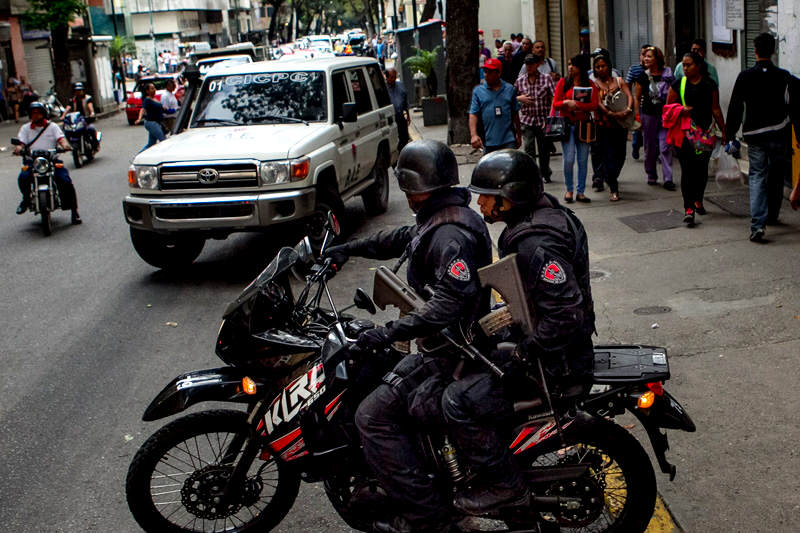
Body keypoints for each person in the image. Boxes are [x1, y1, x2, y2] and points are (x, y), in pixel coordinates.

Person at [324, 140, 493, 533]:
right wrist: (348, 249)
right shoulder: (443, 216)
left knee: (372, 416)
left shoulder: (451, 235)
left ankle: (425, 517)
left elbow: (447, 306)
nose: (407, 196)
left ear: (423, 187)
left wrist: (387, 332)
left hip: (452, 353)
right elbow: (400, 239)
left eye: (409, 188)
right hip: (445, 345)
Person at [444, 149, 595, 514]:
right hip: (558, 350)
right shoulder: (546, 217)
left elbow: (565, 315)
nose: (479, 202)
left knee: (456, 400)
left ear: (509, 199)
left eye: (486, 196)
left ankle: (503, 485)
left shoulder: (536, 243)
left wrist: (524, 352)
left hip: (558, 363)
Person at [725, 33, 799, 241]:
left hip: (755, 136)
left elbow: (736, 107)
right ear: (773, 51)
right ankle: (772, 214)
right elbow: (794, 108)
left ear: (754, 51)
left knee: (757, 175)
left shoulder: (745, 77)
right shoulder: (785, 77)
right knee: (776, 174)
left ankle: (758, 224)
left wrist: (730, 134)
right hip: (779, 135)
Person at [666, 52, 726, 227]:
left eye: (689, 65)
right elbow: (668, 108)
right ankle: (688, 209)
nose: (685, 68)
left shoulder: (709, 84)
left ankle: (698, 199)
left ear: (698, 65)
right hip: (685, 135)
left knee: (701, 170)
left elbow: (715, 109)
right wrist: (680, 110)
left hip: (705, 134)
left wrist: (724, 130)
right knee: (687, 170)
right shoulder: (678, 84)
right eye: (683, 65)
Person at [14, 102, 81, 224]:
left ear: (43, 113)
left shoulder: (52, 127)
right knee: (23, 177)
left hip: (51, 161)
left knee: (65, 180)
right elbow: (21, 143)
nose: (35, 115)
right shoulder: (25, 129)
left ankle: (74, 211)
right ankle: (26, 200)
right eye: (33, 113)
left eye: (38, 112)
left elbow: (62, 139)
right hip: (32, 162)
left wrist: (65, 146)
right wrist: (19, 149)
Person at [553, 54, 598, 203]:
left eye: (573, 64)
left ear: (581, 67)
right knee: (569, 159)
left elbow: (594, 104)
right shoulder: (563, 82)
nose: (570, 67)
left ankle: (581, 191)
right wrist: (567, 102)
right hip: (567, 125)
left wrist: (578, 105)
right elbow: (555, 103)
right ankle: (569, 189)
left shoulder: (590, 84)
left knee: (583, 160)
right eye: (569, 64)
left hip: (584, 126)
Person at [592, 53, 633, 201]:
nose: (601, 69)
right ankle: (613, 188)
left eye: (603, 66)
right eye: (598, 67)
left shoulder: (619, 81)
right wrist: (610, 113)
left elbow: (629, 95)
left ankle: (611, 176)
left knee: (620, 155)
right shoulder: (595, 85)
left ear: (609, 66)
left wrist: (627, 110)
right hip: (604, 125)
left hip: (621, 124)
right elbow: (598, 103)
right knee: (608, 155)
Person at [634, 46, 675, 189]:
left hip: (665, 115)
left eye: (649, 56)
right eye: (645, 56)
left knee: (665, 146)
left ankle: (668, 178)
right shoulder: (642, 76)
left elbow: (674, 93)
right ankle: (651, 174)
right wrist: (637, 117)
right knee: (650, 147)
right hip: (648, 115)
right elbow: (637, 98)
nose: (646, 59)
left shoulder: (668, 75)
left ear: (657, 59)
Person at [515, 53, 556, 183]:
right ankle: (532, 174)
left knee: (544, 149)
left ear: (537, 64)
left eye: (532, 64)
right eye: (527, 64)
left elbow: (554, 97)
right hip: (527, 119)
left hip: (543, 119)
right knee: (529, 148)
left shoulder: (546, 79)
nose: (529, 67)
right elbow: (510, 97)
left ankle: (545, 172)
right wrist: (519, 98)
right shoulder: (520, 81)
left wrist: (550, 117)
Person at [469, 58, 521, 153]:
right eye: (485, 72)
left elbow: (515, 114)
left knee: (509, 166)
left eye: (489, 72)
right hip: (488, 142)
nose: (486, 75)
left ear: (498, 73)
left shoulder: (509, 89)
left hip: (508, 140)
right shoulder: (478, 91)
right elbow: (473, 114)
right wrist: (474, 135)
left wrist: (519, 135)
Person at [626, 44, 651, 160]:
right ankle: (636, 147)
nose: (645, 57)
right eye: (643, 54)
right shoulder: (634, 69)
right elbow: (627, 86)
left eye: (648, 55)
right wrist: (630, 102)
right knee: (638, 129)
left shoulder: (655, 70)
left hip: (651, 105)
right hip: (638, 103)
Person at [61, 82, 99, 152]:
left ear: (83, 90)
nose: (78, 92)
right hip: (76, 120)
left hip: (85, 119)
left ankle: (95, 145)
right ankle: (72, 145)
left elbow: (90, 107)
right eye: (77, 91)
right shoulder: (73, 100)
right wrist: (63, 115)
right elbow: (68, 107)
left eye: (80, 90)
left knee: (91, 129)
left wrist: (92, 113)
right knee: (67, 131)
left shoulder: (88, 98)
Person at [135, 83, 165, 152]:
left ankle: (138, 156)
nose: (154, 90)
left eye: (154, 88)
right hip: (151, 123)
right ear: (147, 91)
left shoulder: (154, 99)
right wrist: (139, 118)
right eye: (152, 88)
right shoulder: (147, 100)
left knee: (151, 144)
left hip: (157, 122)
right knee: (163, 140)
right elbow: (143, 109)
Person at [385, 68, 410, 152]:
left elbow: (405, 101)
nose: (393, 79)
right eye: (391, 77)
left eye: (394, 77)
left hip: (400, 116)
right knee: (394, 139)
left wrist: (408, 116)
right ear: (387, 77)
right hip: (391, 118)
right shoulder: (384, 89)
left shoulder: (400, 85)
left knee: (405, 137)